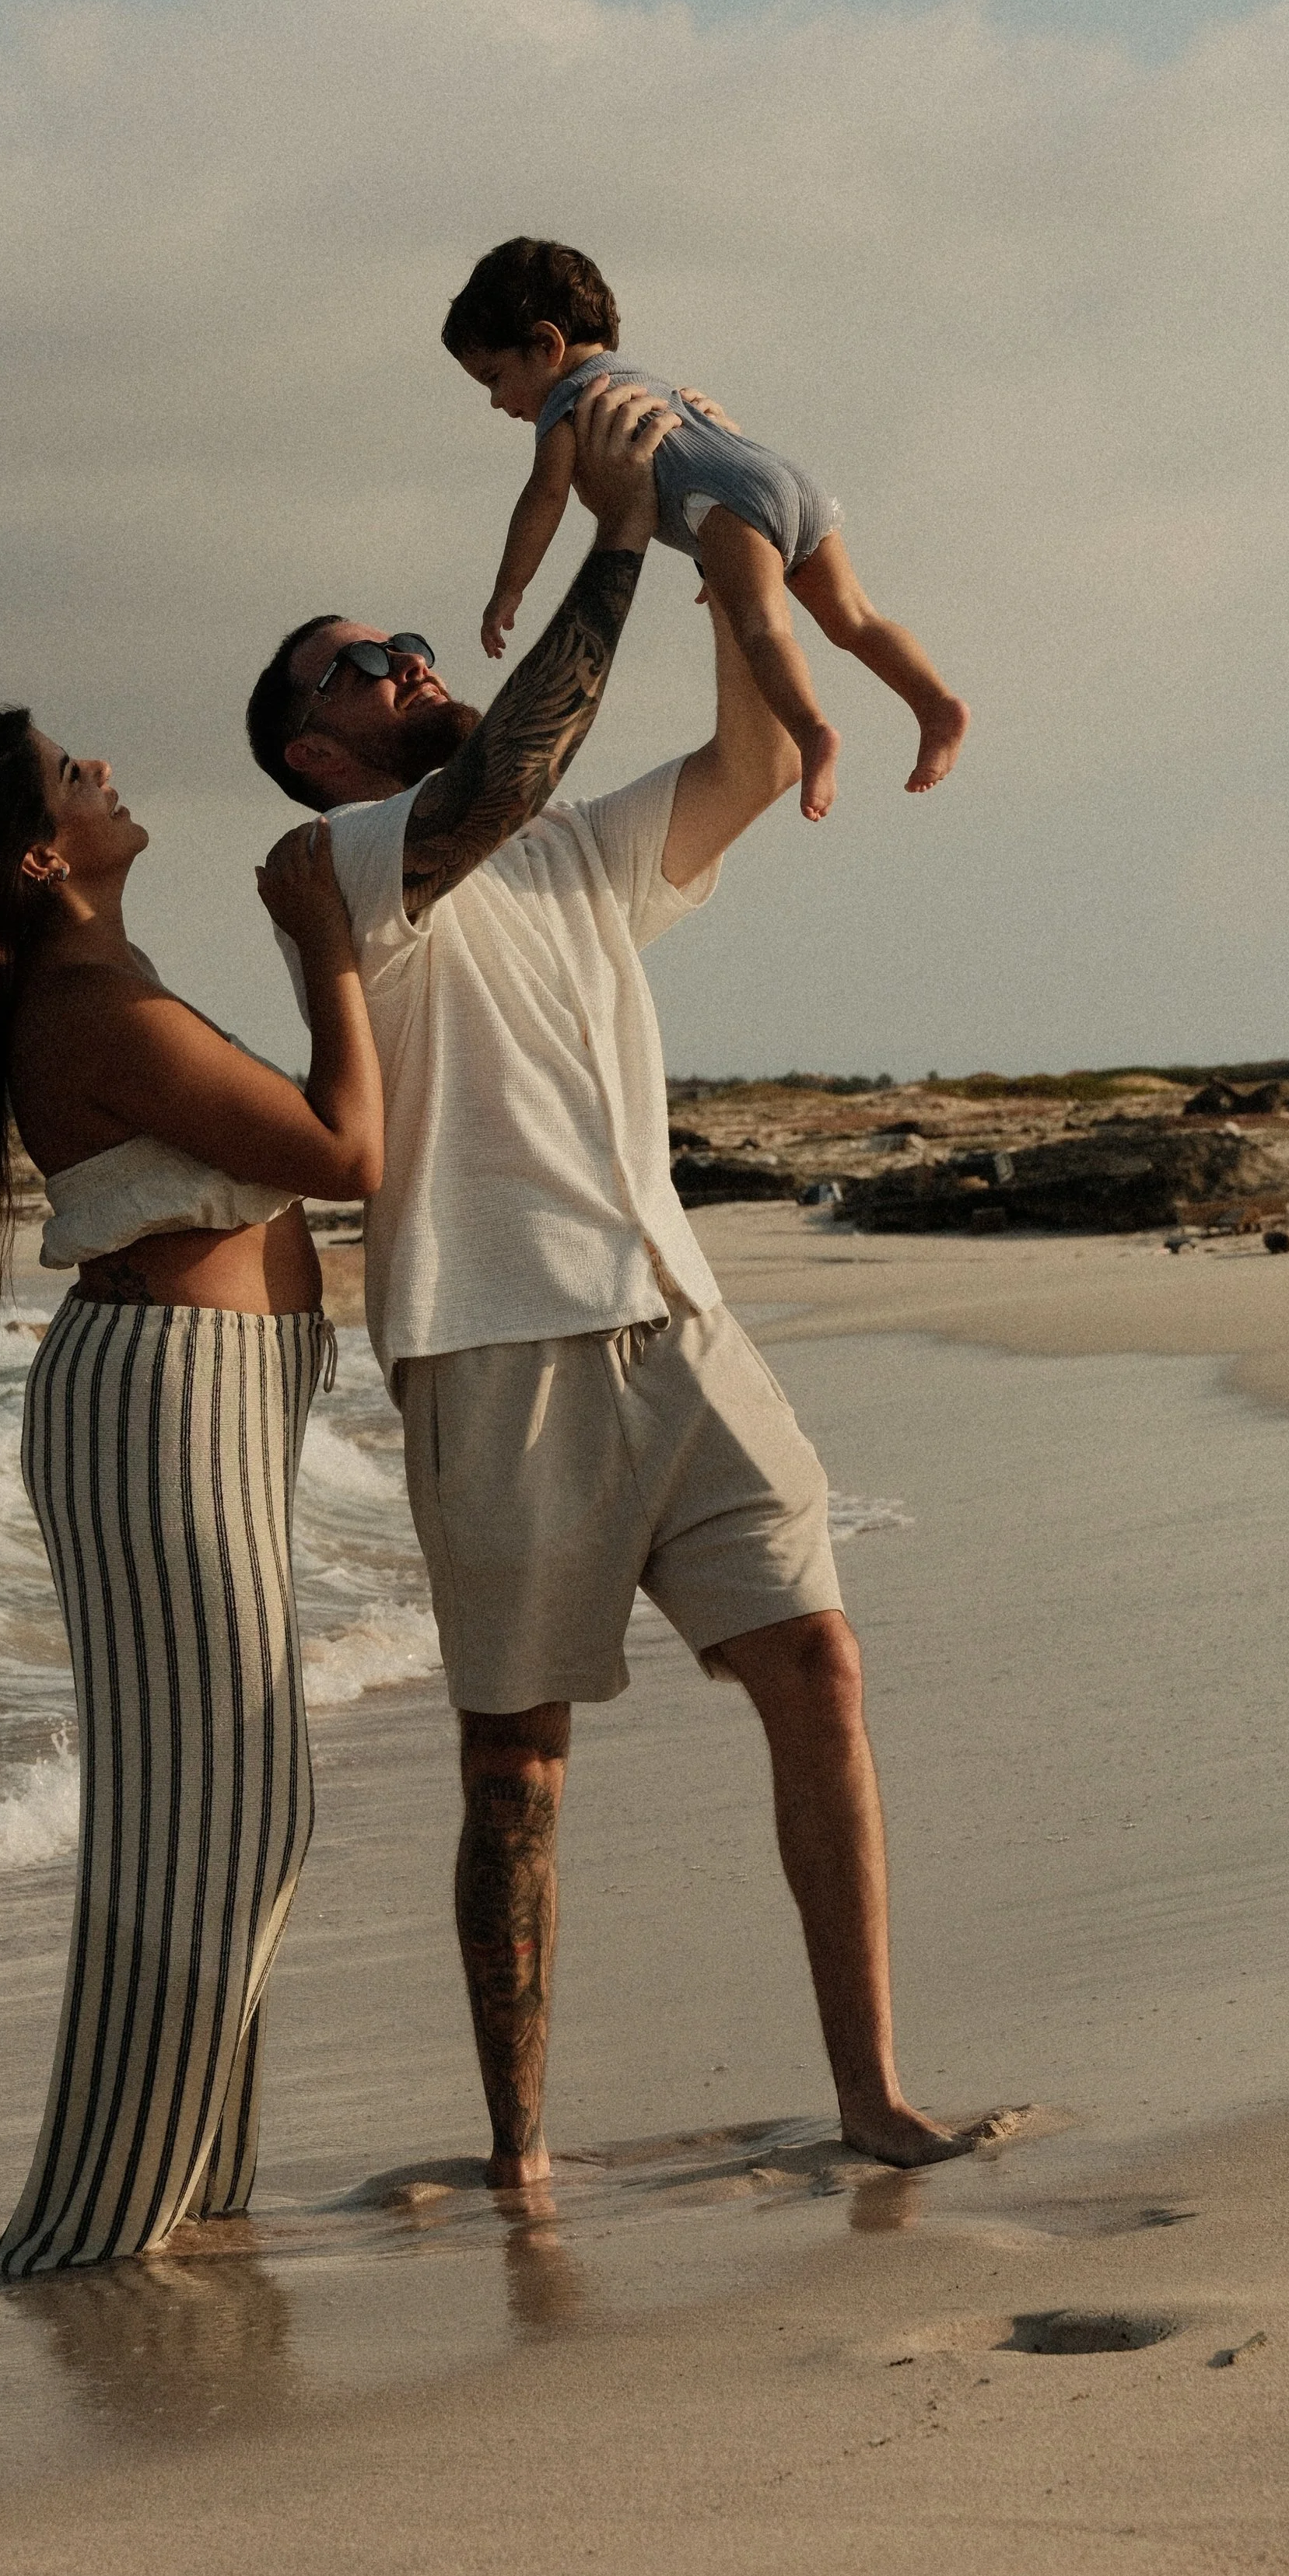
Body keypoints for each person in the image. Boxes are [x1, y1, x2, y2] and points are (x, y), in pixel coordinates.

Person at [244, 378, 969, 2182]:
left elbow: (736, 760)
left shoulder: (578, 853)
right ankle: (522, 2152)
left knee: (820, 1662)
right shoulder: (327, 864)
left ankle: (873, 2086)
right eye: (365, 668)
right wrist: (614, 533)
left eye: (412, 642)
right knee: (518, 1766)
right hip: (489, 1354)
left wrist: (730, 509)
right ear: (311, 752)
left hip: (679, 1314)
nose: (412, 664)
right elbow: (506, 772)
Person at [0, 709, 381, 2273]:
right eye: (63, 771)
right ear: (41, 854)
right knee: (225, 1818)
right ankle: (89, 2232)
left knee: (211, 1814)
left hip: (192, 1397)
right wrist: (326, 947)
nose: (100, 766)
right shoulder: (90, 1000)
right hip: (166, 1403)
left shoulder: (93, 985)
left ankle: (187, 2200)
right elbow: (344, 1149)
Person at [443, 235, 969, 821]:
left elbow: (543, 498)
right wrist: (711, 556)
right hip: (782, 475)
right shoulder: (646, 381)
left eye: (493, 378)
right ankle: (937, 704)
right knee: (855, 618)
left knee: (765, 629)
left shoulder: (571, 405)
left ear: (546, 344)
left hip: (726, 504)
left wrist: (508, 588)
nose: (496, 402)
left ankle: (814, 732)